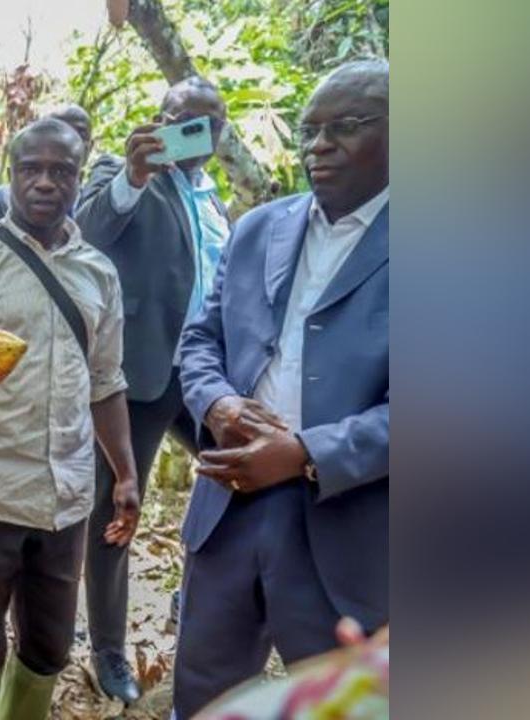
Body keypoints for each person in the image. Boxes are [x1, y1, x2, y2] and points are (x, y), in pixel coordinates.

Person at [173, 58, 389, 717]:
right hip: (230, 504)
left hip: (345, 522)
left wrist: (304, 453)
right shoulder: (258, 228)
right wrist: (219, 402)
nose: (318, 146)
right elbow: (199, 341)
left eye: (344, 127)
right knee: (203, 694)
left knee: (343, 702)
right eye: (309, 130)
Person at [0, 118, 140, 719]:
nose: (45, 182)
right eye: (30, 169)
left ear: (79, 175)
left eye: (61, 171)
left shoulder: (98, 272)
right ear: (10, 174)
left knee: (48, 645)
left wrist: (123, 473)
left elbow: (105, 381)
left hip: (66, 497)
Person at [73, 76, 232, 704]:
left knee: (235, 478)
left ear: (220, 135)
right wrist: (133, 179)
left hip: (207, 375)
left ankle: (195, 603)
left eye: (206, 122)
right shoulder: (125, 173)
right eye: (180, 116)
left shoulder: (215, 200)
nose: (192, 129)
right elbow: (85, 230)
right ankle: (109, 650)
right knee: (116, 503)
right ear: (159, 119)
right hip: (141, 371)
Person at [0, 103, 95, 231]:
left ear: (90, 146)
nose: (65, 140)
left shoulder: (95, 208)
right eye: (54, 131)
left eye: (78, 134)